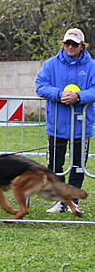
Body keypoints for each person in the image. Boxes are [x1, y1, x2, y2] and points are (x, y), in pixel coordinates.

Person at [35, 27, 95, 214]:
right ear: (63, 44)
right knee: (54, 165)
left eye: (74, 44)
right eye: (67, 43)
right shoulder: (51, 64)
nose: (70, 47)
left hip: (81, 124)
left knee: (78, 165)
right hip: (56, 125)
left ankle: (73, 201)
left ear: (82, 46)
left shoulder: (92, 65)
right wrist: (59, 94)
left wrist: (79, 97)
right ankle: (61, 201)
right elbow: (40, 86)